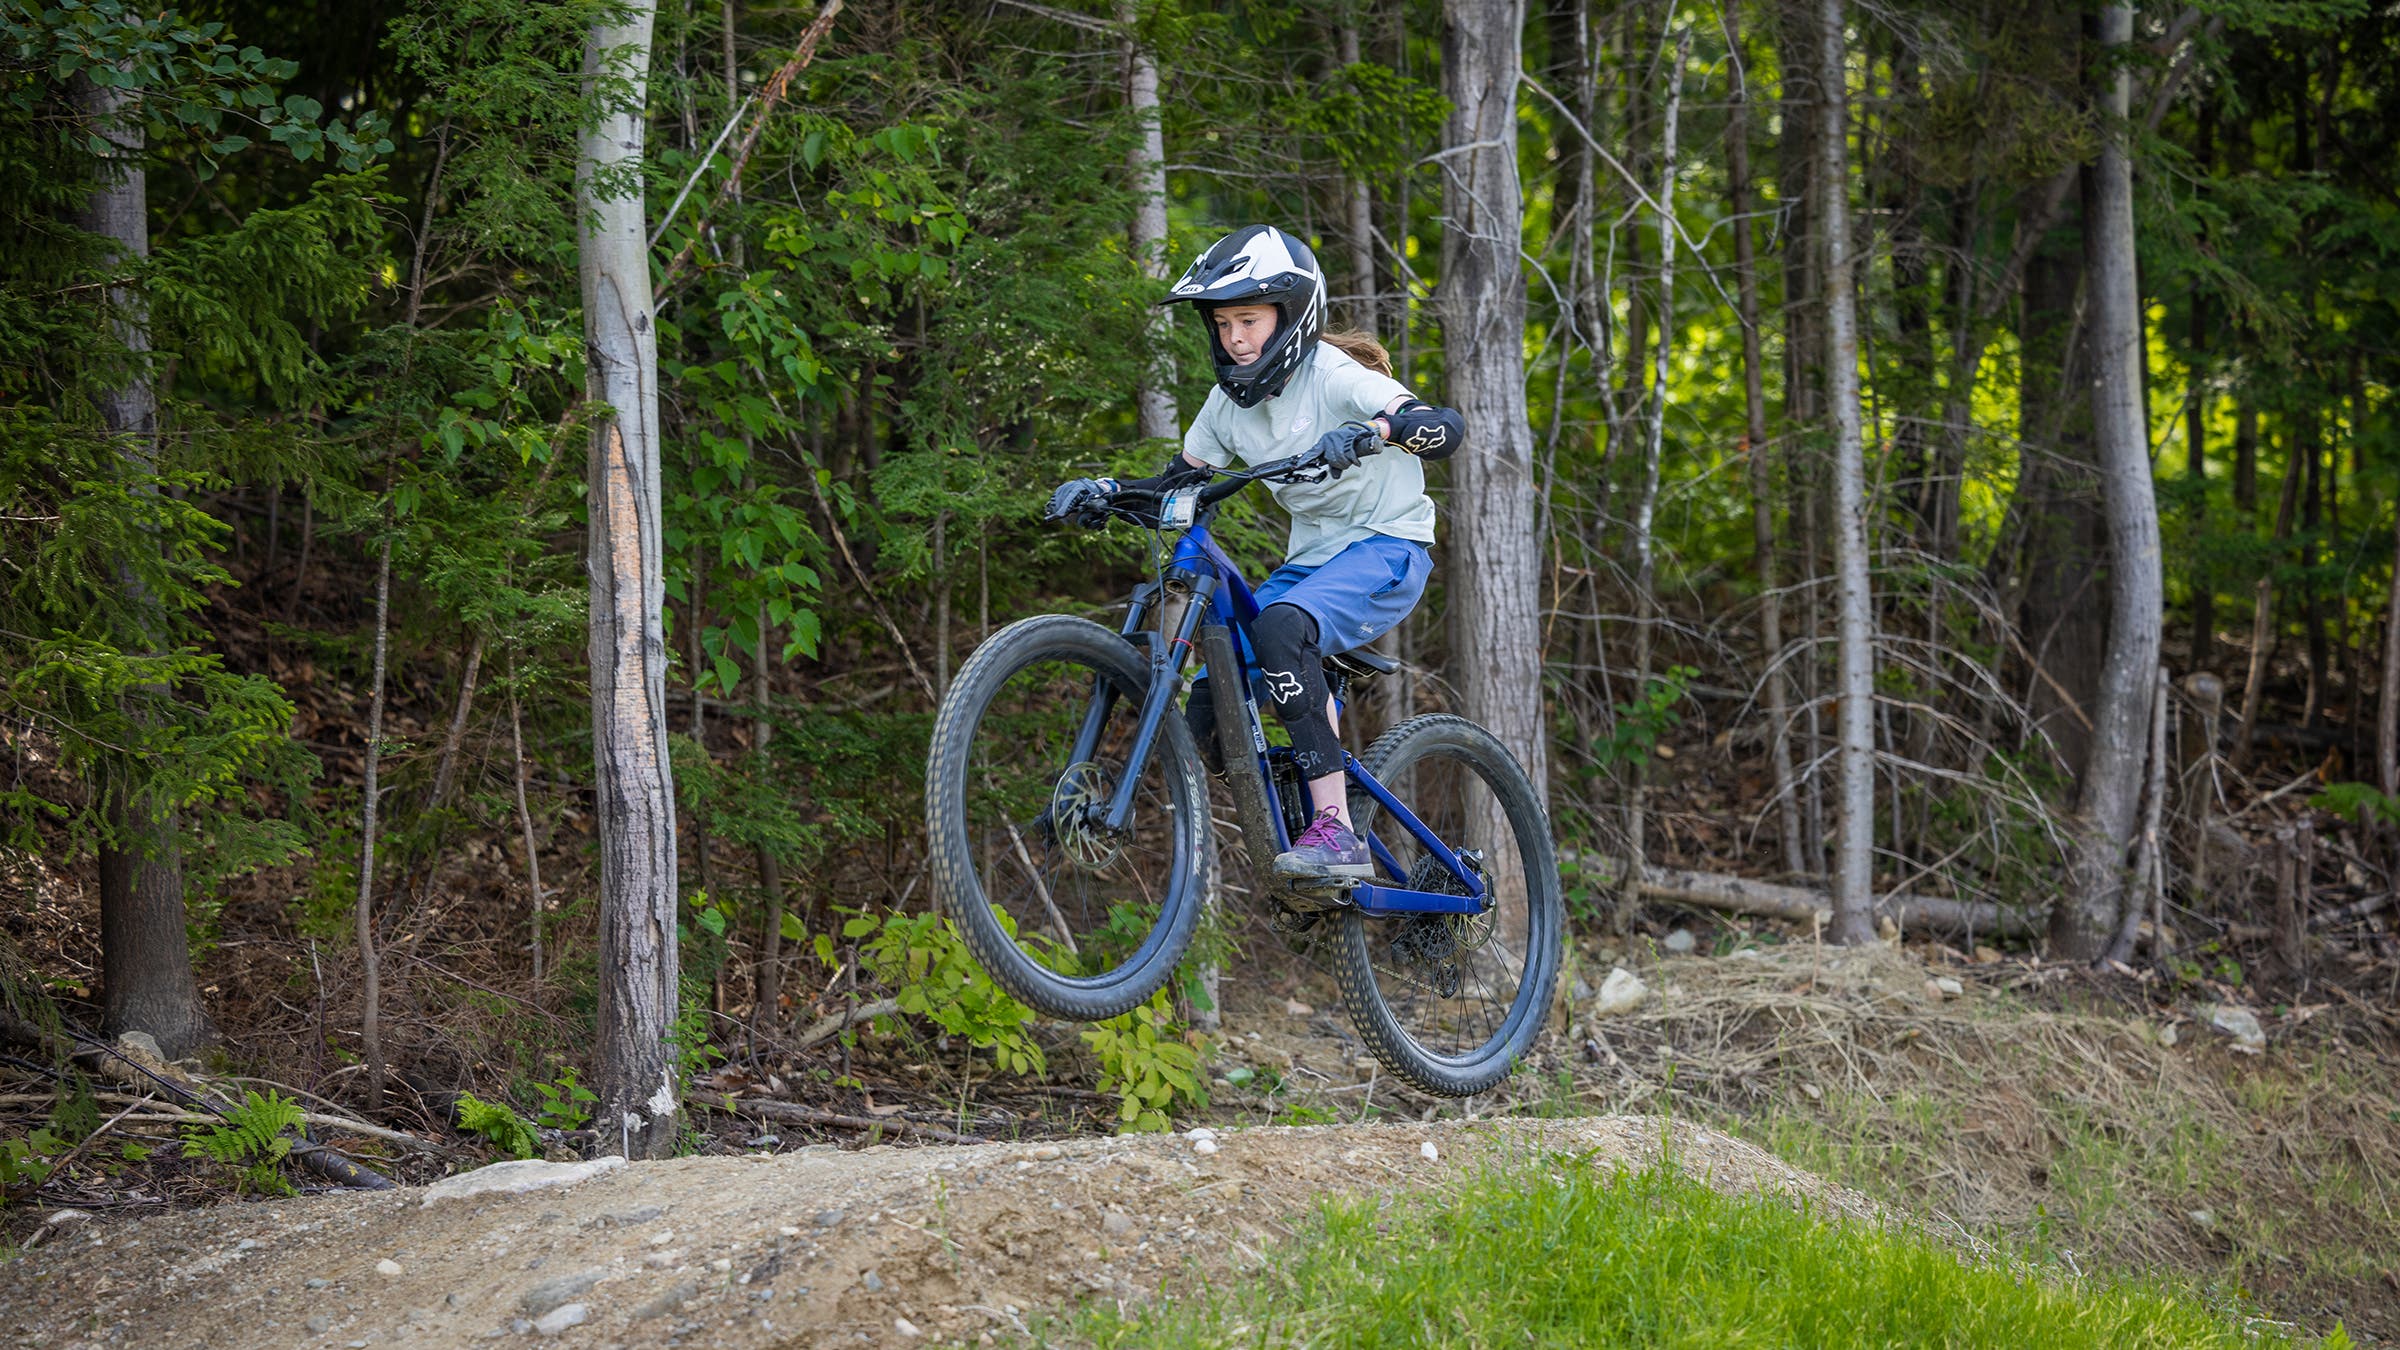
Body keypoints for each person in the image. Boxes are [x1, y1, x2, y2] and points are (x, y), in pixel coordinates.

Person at [1047, 224, 1465, 883]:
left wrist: (1376, 431)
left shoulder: (1334, 377)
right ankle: (1307, 813)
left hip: (1387, 548)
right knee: (1209, 707)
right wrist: (1107, 491)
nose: (1235, 338)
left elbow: (1443, 426)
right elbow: (1177, 483)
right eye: (1223, 324)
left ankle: (1338, 832)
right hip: (1312, 566)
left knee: (1278, 627)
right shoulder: (1226, 406)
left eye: (1249, 319)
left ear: (1290, 315)